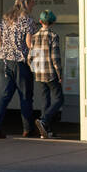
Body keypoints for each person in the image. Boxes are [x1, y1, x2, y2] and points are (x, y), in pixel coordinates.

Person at [0, 0, 38, 139]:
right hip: (20, 63)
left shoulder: (6, 18)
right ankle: (28, 129)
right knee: (25, 96)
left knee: (4, 95)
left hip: (3, 61)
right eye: (32, 2)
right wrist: (35, 54)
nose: (33, 4)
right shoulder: (28, 20)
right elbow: (29, 42)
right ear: (26, 3)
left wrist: (3, 49)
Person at [27, 9, 63, 138]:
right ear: (53, 22)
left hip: (39, 72)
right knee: (59, 99)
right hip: (51, 73)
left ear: (40, 21)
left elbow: (29, 57)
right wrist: (59, 73)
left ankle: (45, 131)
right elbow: (55, 58)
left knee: (45, 100)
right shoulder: (53, 36)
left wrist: (34, 69)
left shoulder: (34, 36)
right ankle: (44, 120)